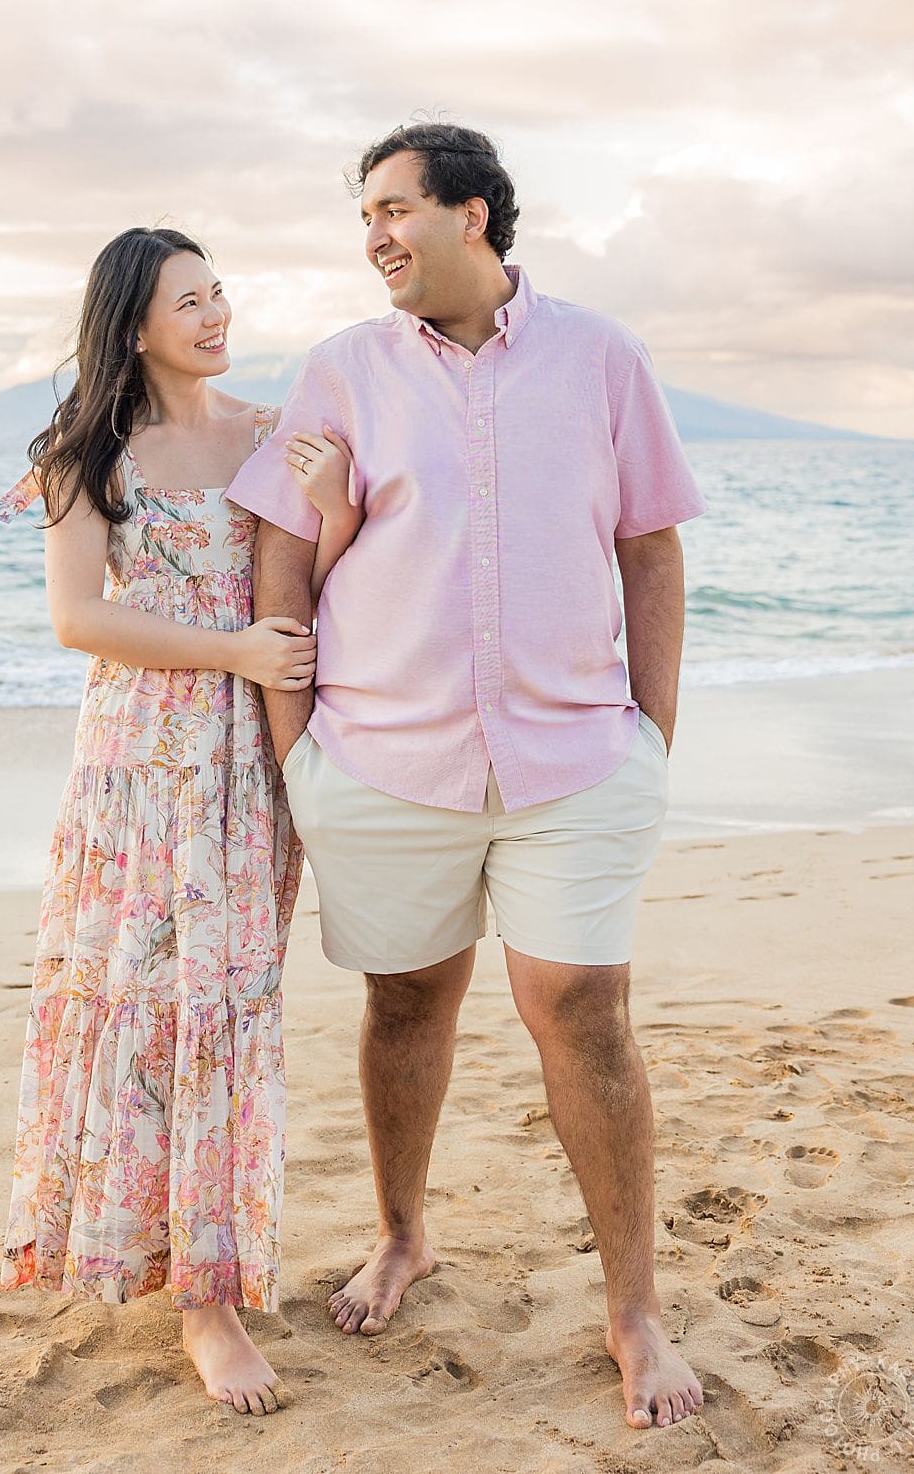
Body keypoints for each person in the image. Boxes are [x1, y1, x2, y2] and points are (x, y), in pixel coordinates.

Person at [225, 122, 709, 1432]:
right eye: (364, 217)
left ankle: (634, 1311)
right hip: (382, 760)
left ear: (475, 216)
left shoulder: (603, 359)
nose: (375, 235)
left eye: (394, 209)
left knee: (585, 1012)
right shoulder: (339, 371)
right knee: (406, 1006)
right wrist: (298, 753)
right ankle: (403, 1236)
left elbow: (650, 552)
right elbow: (282, 563)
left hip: (576, 759)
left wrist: (649, 736)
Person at [0, 226, 360, 1416]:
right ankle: (184, 1292)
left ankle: (210, 1276)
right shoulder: (84, 452)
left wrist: (330, 498)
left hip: (246, 763)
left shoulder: (266, 434)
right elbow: (79, 620)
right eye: (187, 302)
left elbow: (325, 576)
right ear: (133, 323)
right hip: (139, 764)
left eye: (219, 295)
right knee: (142, 997)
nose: (215, 316)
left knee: (228, 1004)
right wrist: (232, 652)